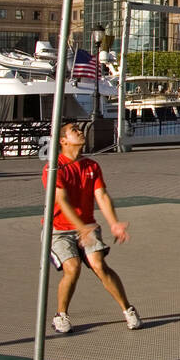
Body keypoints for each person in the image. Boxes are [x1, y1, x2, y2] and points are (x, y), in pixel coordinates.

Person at [45, 122, 141, 333]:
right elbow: (61, 200)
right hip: (59, 230)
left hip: (87, 225)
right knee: (73, 268)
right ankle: (61, 315)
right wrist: (80, 228)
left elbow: (102, 196)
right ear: (63, 140)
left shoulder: (91, 166)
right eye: (74, 130)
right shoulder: (54, 167)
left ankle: (128, 309)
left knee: (99, 265)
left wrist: (114, 224)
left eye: (80, 129)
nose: (80, 132)